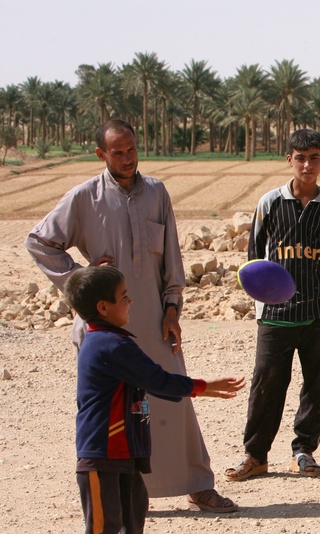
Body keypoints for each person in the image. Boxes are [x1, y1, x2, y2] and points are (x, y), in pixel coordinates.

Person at [25, 119, 238, 513]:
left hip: (155, 320)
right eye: (117, 152)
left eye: (132, 149)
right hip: (102, 325)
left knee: (173, 399)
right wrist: (79, 276)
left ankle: (197, 484)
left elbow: (170, 258)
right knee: (112, 410)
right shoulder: (84, 197)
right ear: (101, 155)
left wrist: (172, 308)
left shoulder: (156, 192)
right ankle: (115, 495)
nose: (127, 158)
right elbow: (38, 241)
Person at [65, 265, 245, 534]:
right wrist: (202, 386)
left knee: (133, 509)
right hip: (102, 452)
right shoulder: (108, 344)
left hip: (125, 448)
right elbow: (157, 380)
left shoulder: (114, 339)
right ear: (103, 308)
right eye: (123, 297)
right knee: (104, 524)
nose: (130, 301)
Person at [224, 128, 320, 481]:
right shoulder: (270, 203)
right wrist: (271, 293)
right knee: (267, 384)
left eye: (314, 158)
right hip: (275, 313)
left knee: (316, 384)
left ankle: (303, 451)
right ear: (289, 160)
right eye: (300, 158)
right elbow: (255, 257)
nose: (308, 164)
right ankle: (255, 456)